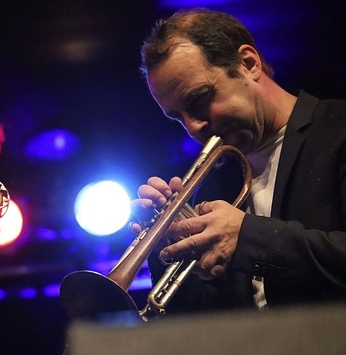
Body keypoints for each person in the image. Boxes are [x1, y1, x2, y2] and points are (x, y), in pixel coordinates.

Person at [131, 8, 346, 314]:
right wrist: (166, 249)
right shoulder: (221, 182)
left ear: (249, 64)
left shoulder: (338, 128)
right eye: (178, 118)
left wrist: (247, 238)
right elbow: (208, 324)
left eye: (199, 98)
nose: (193, 128)